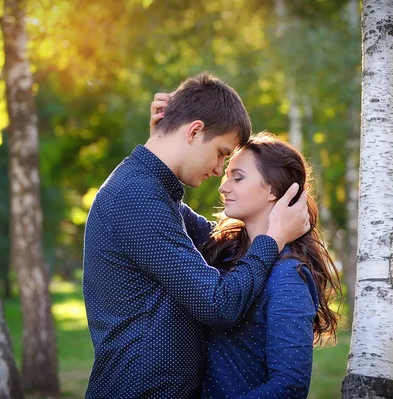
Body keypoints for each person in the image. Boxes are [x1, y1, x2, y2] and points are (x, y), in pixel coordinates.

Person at [83, 73, 310, 399]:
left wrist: (161, 150)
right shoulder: (136, 198)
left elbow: (212, 238)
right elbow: (218, 306)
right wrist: (273, 238)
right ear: (193, 131)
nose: (219, 171)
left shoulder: (148, 191)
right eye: (221, 153)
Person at [152, 103, 342, 398]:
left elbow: (289, 386)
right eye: (226, 174)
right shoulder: (224, 248)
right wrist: (163, 140)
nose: (222, 186)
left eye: (237, 177)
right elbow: (160, 202)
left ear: (274, 190)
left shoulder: (289, 276)